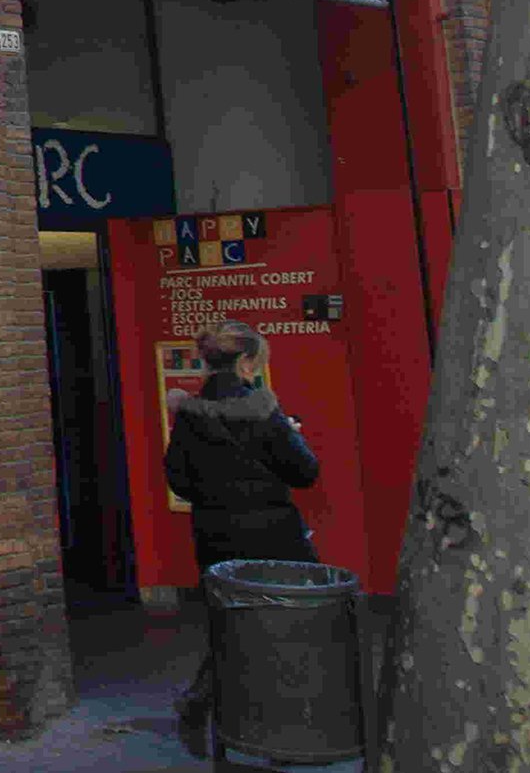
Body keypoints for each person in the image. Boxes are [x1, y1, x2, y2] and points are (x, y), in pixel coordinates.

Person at [164, 320, 320, 756]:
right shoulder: (263, 410)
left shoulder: (190, 417)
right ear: (247, 361)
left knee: (230, 623)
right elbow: (306, 471)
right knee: (288, 622)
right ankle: (274, 725)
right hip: (275, 533)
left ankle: (204, 702)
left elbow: (179, 478)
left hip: (215, 531)